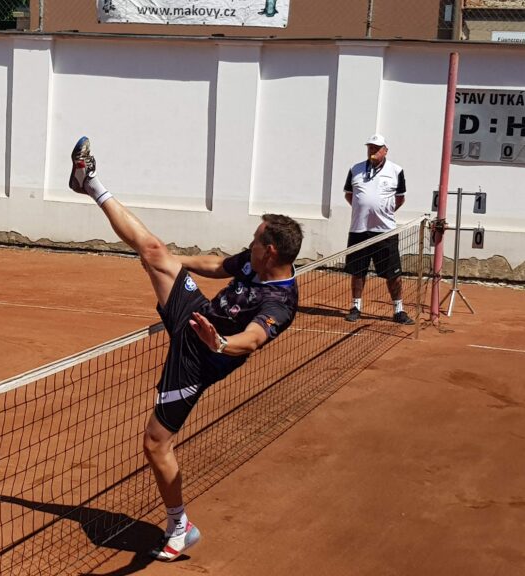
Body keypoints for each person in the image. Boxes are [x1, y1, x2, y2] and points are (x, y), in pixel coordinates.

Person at [68, 136, 303, 562]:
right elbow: (216, 266)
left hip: (200, 360)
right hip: (198, 316)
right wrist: (169, 262)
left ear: (270, 251)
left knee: (155, 443)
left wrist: (221, 342)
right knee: (153, 250)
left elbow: (252, 339)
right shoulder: (255, 262)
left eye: (254, 239)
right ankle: (88, 183)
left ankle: (180, 526)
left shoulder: (281, 302)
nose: (249, 243)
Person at [343, 134, 414, 325]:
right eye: (370, 147)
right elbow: (349, 195)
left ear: (385, 150)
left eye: (376, 148)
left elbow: (400, 198)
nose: (372, 151)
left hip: (385, 231)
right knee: (358, 272)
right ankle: (356, 307)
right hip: (359, 230)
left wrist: (382, 212)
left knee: (393, 274)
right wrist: (363, 209)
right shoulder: (355, 169)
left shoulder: (396, 170)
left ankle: (398, 310)